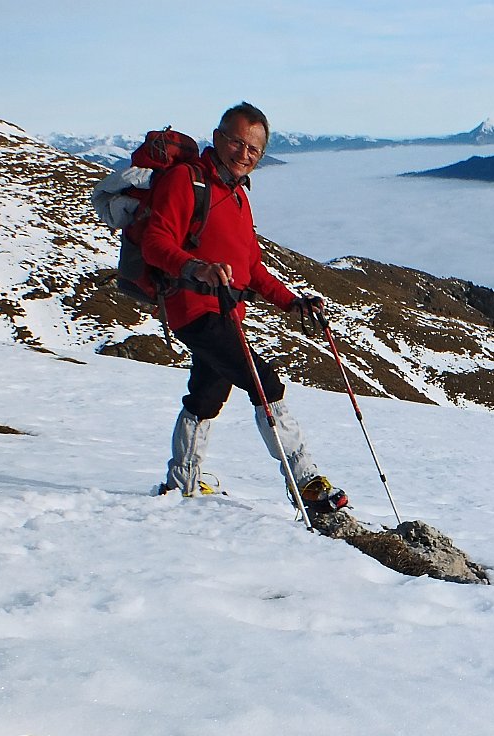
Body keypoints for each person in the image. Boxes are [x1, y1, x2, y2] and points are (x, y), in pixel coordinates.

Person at [144, 101, 348, 513]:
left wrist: (293, 302)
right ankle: (304, 481)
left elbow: (251, 268)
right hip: (193, 308)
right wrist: (195, 267)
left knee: (206, 395)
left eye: (254, 149)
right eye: (237, 142)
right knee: (264, 383)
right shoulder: (187, 181)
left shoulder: (236, 196)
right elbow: (154, 241)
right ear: (218, 138)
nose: (244, 154)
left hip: (224, 312)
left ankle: (181, 480)